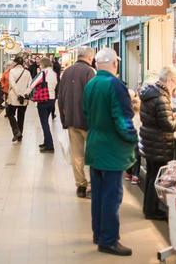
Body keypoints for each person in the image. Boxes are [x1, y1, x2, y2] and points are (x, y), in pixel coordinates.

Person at [83, 48, 138, 256]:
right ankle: (109, 240)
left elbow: (86, 112)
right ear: (115, 64)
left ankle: (98, 233)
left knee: (98, 194)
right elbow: (123, 120)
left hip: (95, 146)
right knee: (111, 197)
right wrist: (133, 138)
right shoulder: (115, 85)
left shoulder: (91, 84)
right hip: (112, 151)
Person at [138, 66, 176, 220]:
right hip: (158, 143)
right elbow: (168, 125)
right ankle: (152, 210)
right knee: (156, 177)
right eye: (175, 82)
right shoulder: (161, 97)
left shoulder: (150, 92)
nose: (175, 86)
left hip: (150, 140)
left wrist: (172, 115)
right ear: (169, 80)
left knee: (151, 175)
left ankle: (148, 208)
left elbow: (157, 117)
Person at [58, 46, 96, 198]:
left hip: (72, 120)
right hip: (87, 122)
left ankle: (80, 185)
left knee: (77, 154)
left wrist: (63, 119)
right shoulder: (90, 72)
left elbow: (60, 97)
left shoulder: (66, 72)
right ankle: (93, 185)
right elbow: (93, 97)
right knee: (94, 154)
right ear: (89, 58)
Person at [28, 57, 58, 153]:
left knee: (44, 123)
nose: (39, 65)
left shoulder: (43, 73)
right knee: (46, 121)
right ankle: (46, 142)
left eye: (40, 64)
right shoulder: (54, 73)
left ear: (43, 64)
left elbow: (33, 84)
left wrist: (26, 93)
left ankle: (49, 145)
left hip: (43, 99)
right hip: (52, 100)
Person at [6, 55, 32, 143]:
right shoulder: (27, 72)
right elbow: (30, 85)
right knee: (21, 117)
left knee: (9, 113)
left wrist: (18, 94)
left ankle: (16, 131)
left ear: (16, 63)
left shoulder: (12, 71)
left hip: (14, 98)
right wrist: (25, 94)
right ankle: (20, 136)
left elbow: (13, 84)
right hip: (24, 99)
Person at [124, 89, 141, 185]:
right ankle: (135, 175)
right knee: (136, 158)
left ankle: (128, 173)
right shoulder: (140, 116)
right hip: (137, 139)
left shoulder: (128, 114)